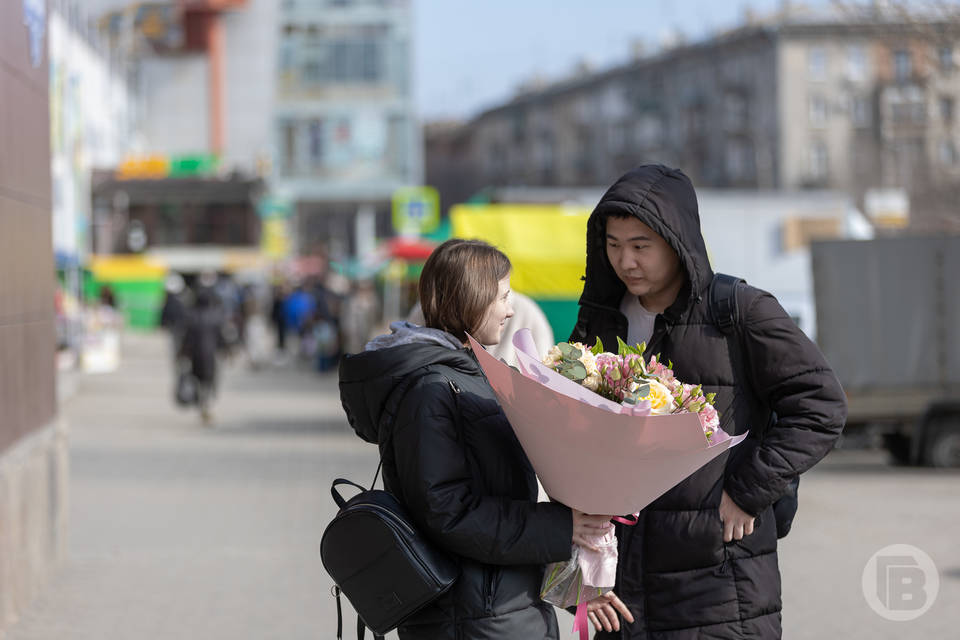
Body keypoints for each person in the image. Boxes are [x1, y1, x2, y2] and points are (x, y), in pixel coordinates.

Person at [569, 165, 847, 638]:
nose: (625, 261)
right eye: (613, 245)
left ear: (677, 242)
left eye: (641, 246)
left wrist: (748, 490)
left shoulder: (739, 310)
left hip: (719, 582)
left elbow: (821, 404)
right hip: (622, 583)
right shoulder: (600, 320)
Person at [339, 239, 617, 639]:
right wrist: (562, 528)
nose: (509, 309)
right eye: (503, 296)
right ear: (471, 297)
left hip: (497, 606)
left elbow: (497, 502)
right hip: (473, 616)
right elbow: (448, 512)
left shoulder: (468, 373)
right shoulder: (431, 388)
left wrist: (575, 587)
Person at [179, 287, 224, 424]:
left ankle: (203, 405)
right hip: (210, 356)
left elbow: (186, 338)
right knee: (209, 382)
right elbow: (221, 338)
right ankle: (208, 406)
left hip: (195, 356)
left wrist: (182, 353)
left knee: (198, 381)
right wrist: (226, 350)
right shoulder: (215, 316)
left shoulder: (191, 316)